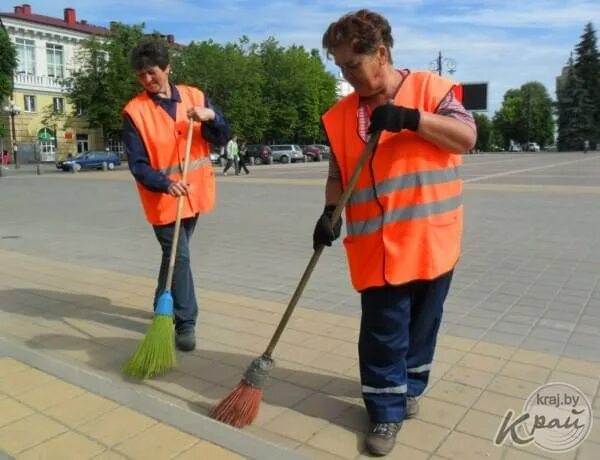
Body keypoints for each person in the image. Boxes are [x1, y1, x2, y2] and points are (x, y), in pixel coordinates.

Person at [315, 10, 476, 457]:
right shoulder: (339, 116)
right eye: (340, 67)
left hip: (432, 240)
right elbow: (337, 173)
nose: (346, 76)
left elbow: (466, 136)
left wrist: (410, 118)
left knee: (423, 325)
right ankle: (384, 412)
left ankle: (410, 389)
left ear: (381, 53)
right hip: (377, 247)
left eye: (351, 64)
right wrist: (330, 211)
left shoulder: (432, 91)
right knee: (384, 331)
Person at [123, 39, 230, 352]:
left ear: (167, 68)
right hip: (162, 198)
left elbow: (222, 137)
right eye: (141, 75)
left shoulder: (195, 96)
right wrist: (164, 183)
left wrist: (212, 117)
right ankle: (186, 322)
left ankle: (162, 305)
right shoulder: (135, 112)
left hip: (194, 194)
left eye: (152, 73)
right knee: (179, 256)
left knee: (174, 258)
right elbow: (137, 164)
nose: (147, 80)